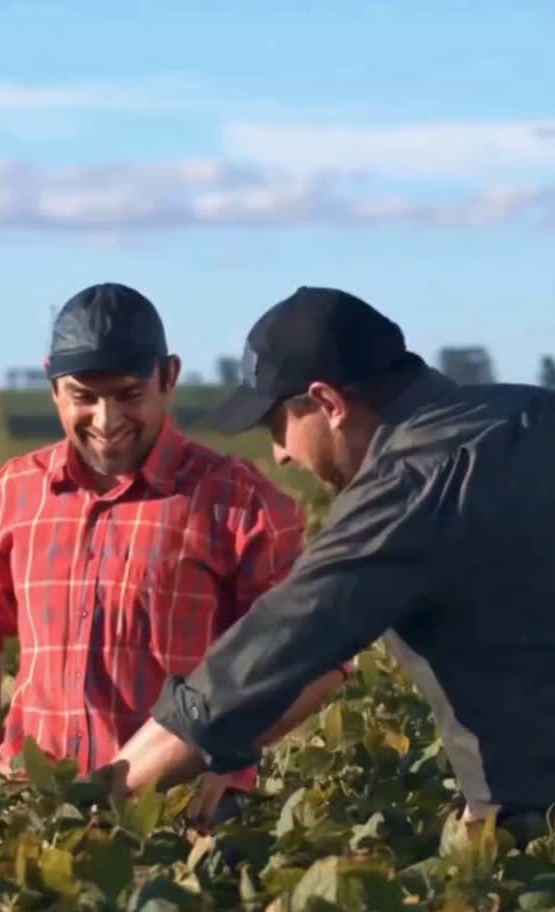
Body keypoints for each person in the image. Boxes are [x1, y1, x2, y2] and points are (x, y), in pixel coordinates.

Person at [113, 284, 555, 835]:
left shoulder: (409, 485)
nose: (279, 454)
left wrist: (102, 796)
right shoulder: (531, 410)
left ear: (328, 404)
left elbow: (273, 649)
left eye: (278, 427)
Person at [0, 283, 345, 827]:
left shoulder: (238, 501)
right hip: (36, 809)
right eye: (83, 396)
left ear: (168, 378)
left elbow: (316, 658)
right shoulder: (13, 495)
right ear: (53, 386)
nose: (106, 419)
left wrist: (231, 748)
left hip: (181, 812)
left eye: (128, 394)